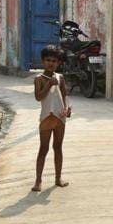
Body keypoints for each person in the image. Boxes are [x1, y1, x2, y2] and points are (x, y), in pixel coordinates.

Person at [32, 45, 72, 192]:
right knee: (43, 148)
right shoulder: (39, 79)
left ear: (58, 63)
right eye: (48, 60)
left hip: (60, 117)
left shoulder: (60, 77)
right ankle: (38, 181)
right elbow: (38, 97)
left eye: (54, 61)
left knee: (58, 147)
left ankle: (58, 178)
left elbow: (65, 94)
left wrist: (67, 107)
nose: (51, 63)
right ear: (43, 61)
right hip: (46, 117)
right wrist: (48, 84)